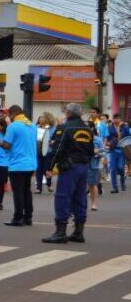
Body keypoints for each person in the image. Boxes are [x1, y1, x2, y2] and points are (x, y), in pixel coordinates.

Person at [43, 103, 93, 243]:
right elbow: (91, 150)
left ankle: (60, 232)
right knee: (80, 198)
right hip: (83, 166)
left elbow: (57, 149)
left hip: (69, 167)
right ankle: (78, 232)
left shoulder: (64, 128)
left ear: (68, 113)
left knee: (62, 197)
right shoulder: (87, 129)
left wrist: (49, 167)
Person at [0, 105, 38, 227]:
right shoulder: (32, 125)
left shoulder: (13, 126)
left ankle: (18, 218)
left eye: (9, 115)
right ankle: (28, 217)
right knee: (27, 191)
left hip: (17, 164)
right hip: (31, 164)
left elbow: (6, 145)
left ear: (12, 114)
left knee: (18, 192)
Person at [106, 113, 130, 193]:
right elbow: (107, 137)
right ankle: (114, 188)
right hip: (113, 150)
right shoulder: (110, 127)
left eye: (118, 118)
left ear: (120, 119)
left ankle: (122, 182)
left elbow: (128, 138)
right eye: (115, 118)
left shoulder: (125, 127)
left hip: (122, 150)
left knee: (120, 168)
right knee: (112, 169)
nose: (116, 120)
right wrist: (107, 143)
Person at [35, 113, 56, 194]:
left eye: (43, 117)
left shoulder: (52, 128)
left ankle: (49, 184)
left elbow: (56, 139)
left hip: (49, 151)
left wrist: (52, 141)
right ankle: (39, 187)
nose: (41, 119)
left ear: (48, 119)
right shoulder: (36, 127)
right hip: (38, 151)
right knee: (39, 169)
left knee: (46, 169)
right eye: (40, 117)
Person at [87, 122, 104, 211]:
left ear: (93, 128)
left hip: (93, 164)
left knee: (92, 185)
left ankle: (93, 204)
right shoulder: (81, 139)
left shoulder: (98, 139)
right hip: (82, 164)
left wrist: (97, 153)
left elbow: (103, 152)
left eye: (90, 127)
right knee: (79, 185)